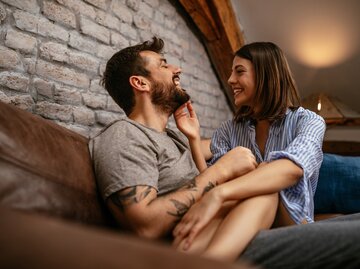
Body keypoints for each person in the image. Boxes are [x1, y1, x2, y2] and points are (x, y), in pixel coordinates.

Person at [89, 37, 261, 255]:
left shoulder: (172, 138)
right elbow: (145, 226)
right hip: (197, 246)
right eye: (163, 64)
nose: (176, 69)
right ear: (141, 83)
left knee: (266, 180)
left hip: (229, 229)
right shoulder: (124, 135)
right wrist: (221, 169)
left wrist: (194, 137)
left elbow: (221, 159)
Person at [172, 42, 326, 260]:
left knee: (265, 175)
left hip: (291, 223)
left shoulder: (309, 122)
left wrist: (219, 194)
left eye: (240, 71)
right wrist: (194, 139)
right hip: (239, 215)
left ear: (266, 75)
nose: (230, 80)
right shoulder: (229, 130)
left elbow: (292, 170)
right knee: (241, 185)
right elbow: (211, 180)